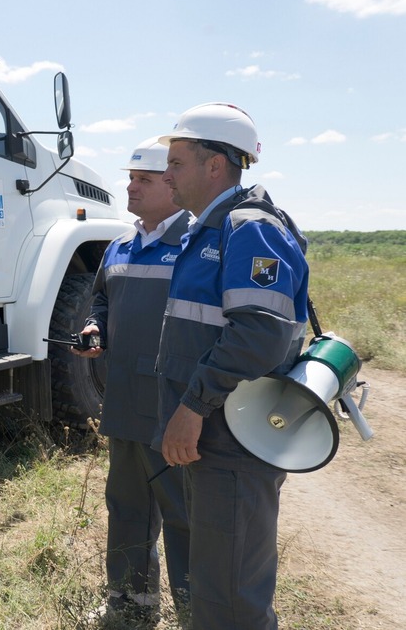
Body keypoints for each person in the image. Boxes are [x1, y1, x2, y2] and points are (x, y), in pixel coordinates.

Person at [154, 103, 309, 630]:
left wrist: (193, 404)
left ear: (215, 164)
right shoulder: (212, 228)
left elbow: (259, 334)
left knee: (232, 597)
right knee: (216, 581)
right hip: (215, 437)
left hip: (231, 440)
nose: (166, 173)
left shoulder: (248, 229)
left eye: (176, 162)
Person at [73, 138, 191, 624]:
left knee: (184, 514)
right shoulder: (121, 245)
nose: (130, 186)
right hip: (123, 401)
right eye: (130, 177)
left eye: (143, 179)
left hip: (173, 407)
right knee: (126, 504)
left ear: (172, 184)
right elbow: (101, 298)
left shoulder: (196, 245)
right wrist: (94, 325)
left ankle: (194, 607)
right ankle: (130, 601)